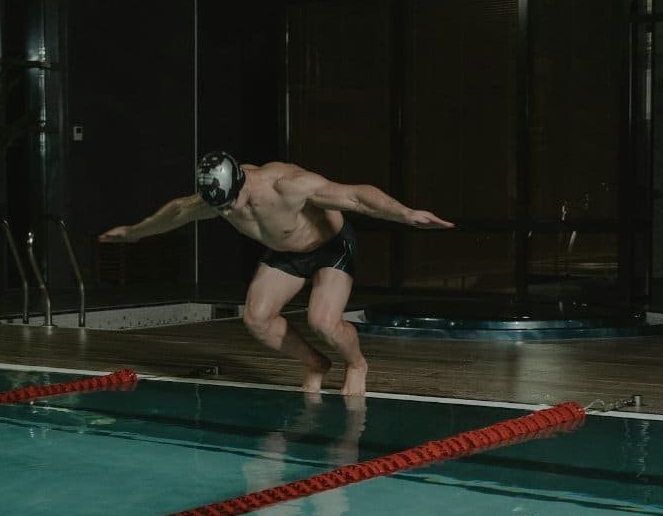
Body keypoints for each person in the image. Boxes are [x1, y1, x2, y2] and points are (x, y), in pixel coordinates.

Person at [98, 151, 454, 398]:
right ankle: (316, 362)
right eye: (218, 207)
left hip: (329, 247)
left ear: (240, 179)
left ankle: (357, 364)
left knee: (323, 322)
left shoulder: (285, 183)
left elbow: (357, 197)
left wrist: (404, 213)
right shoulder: (216, 198)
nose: (226, 211)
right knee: (255, 318)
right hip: (286, 254)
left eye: (230, 201)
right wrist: (135, 233)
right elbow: (177, 211)